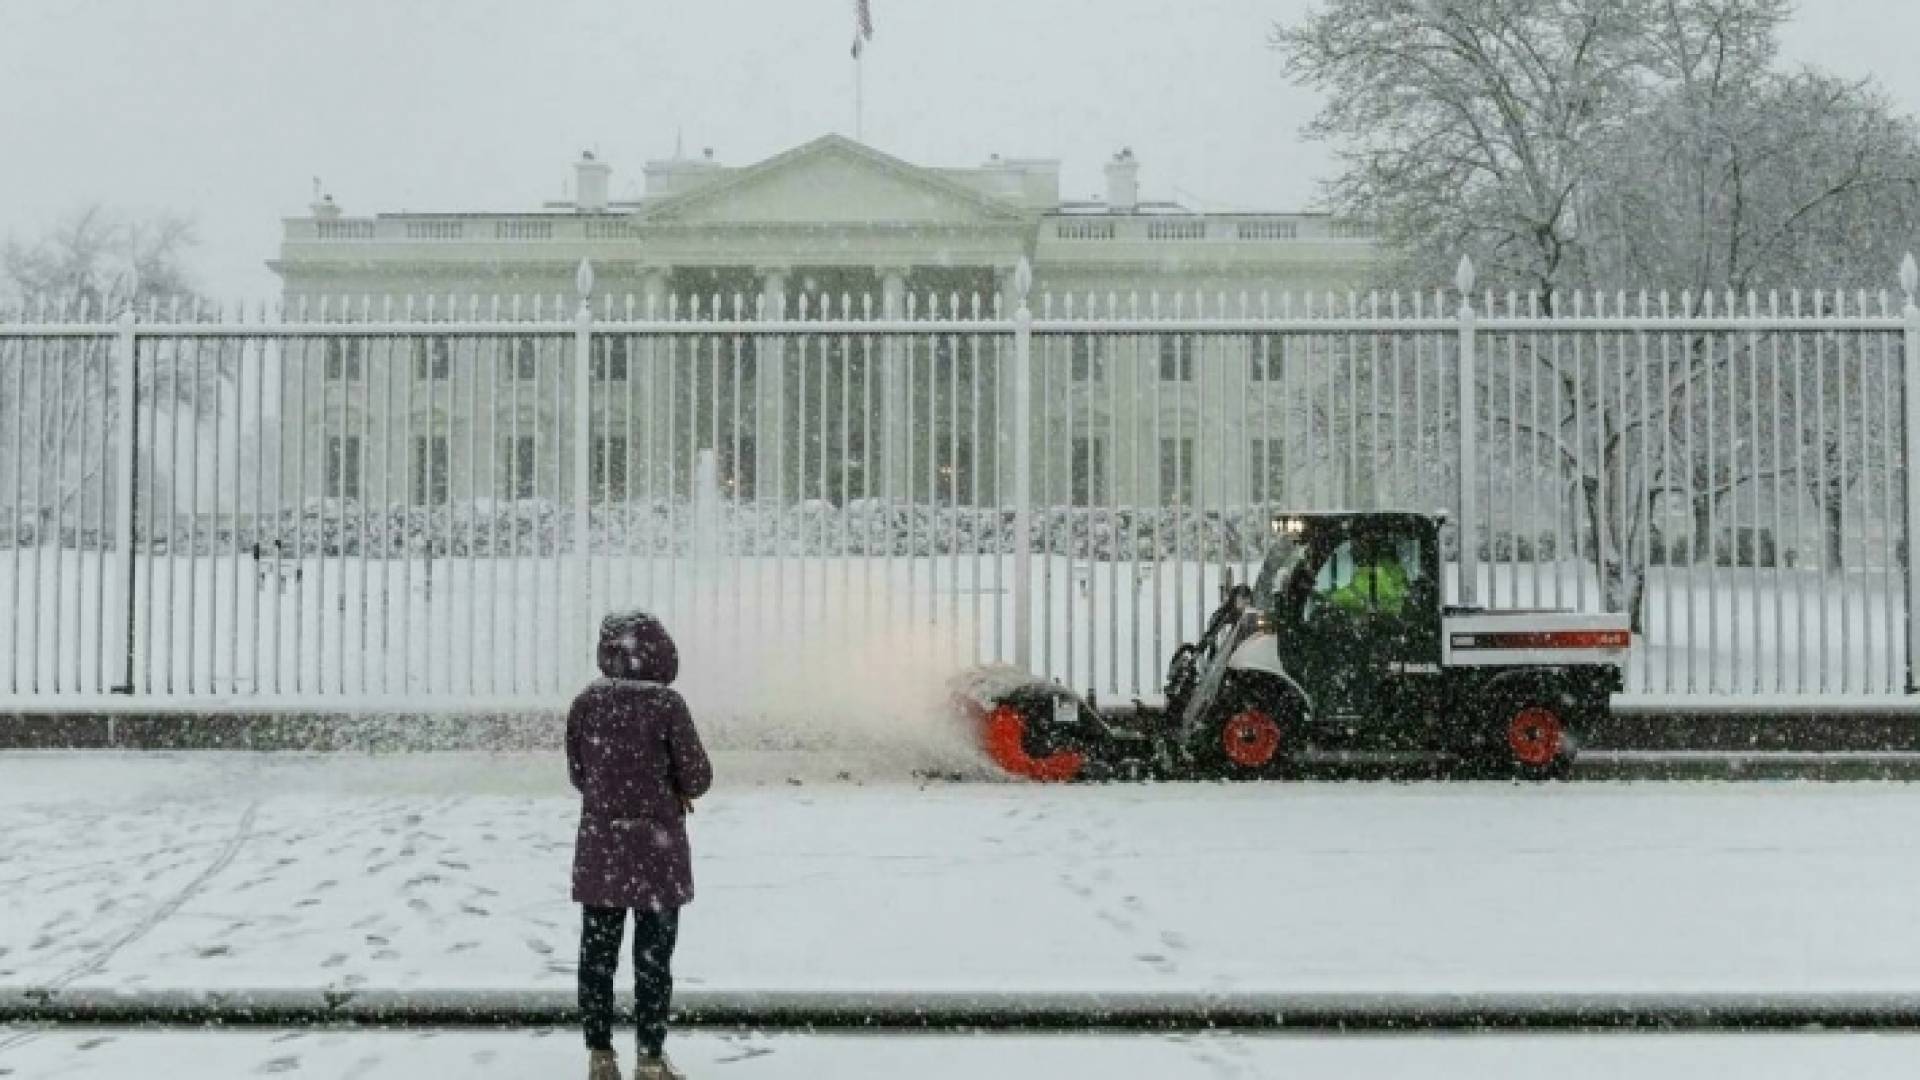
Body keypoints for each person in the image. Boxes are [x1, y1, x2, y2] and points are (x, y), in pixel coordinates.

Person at [569, 610, 713, 1080]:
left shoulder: (587, 703)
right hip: (657, 853)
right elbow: (698, 776)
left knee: (597, 957)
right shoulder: (667, 705)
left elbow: (579, 774)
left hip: (602, 851)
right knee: (653, 961)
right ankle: (651, 1060)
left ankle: (600, 1057)